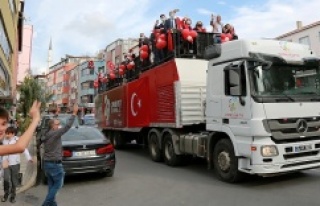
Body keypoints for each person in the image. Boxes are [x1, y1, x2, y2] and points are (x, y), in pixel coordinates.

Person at [41, 104, 78, 206]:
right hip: (55, 164)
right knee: (58, 184)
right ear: (53, 126)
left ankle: (52, 204)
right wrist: (74, 113)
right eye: (57, 124)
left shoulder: (47, 133)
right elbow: (67, 127)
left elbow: (53, 121)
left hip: (47, 164)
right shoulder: (55, 133)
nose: (59, 125)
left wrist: (56, 113)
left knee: (51, 185)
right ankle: (46, 204)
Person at [1, 127, 33, 203]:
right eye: (6, 133)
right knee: (5, 179)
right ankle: (6, 193)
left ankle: (13, 195)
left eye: (8, 133)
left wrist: (29, 158)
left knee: (14, 180)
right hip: (5, 163)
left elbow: (24, 149)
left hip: (15, 163)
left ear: (13, 134)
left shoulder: (17, 140)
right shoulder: (4, 140)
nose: (7, 135)